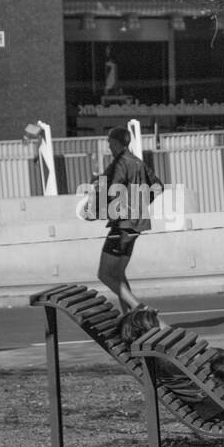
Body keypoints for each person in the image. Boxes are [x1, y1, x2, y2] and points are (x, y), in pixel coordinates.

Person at [95, 125, 161, 313]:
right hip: (136, 225)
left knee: (104, 274)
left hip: (123, 224)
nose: (109, 146)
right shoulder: (138, 162)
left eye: (110, 142)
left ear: (117, 143)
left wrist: (98, 207)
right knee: (117, 273)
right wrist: (141, 204)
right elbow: (158, 186)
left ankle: (139, 308)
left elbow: (111, 190)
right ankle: (130, 316)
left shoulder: (120, 163)